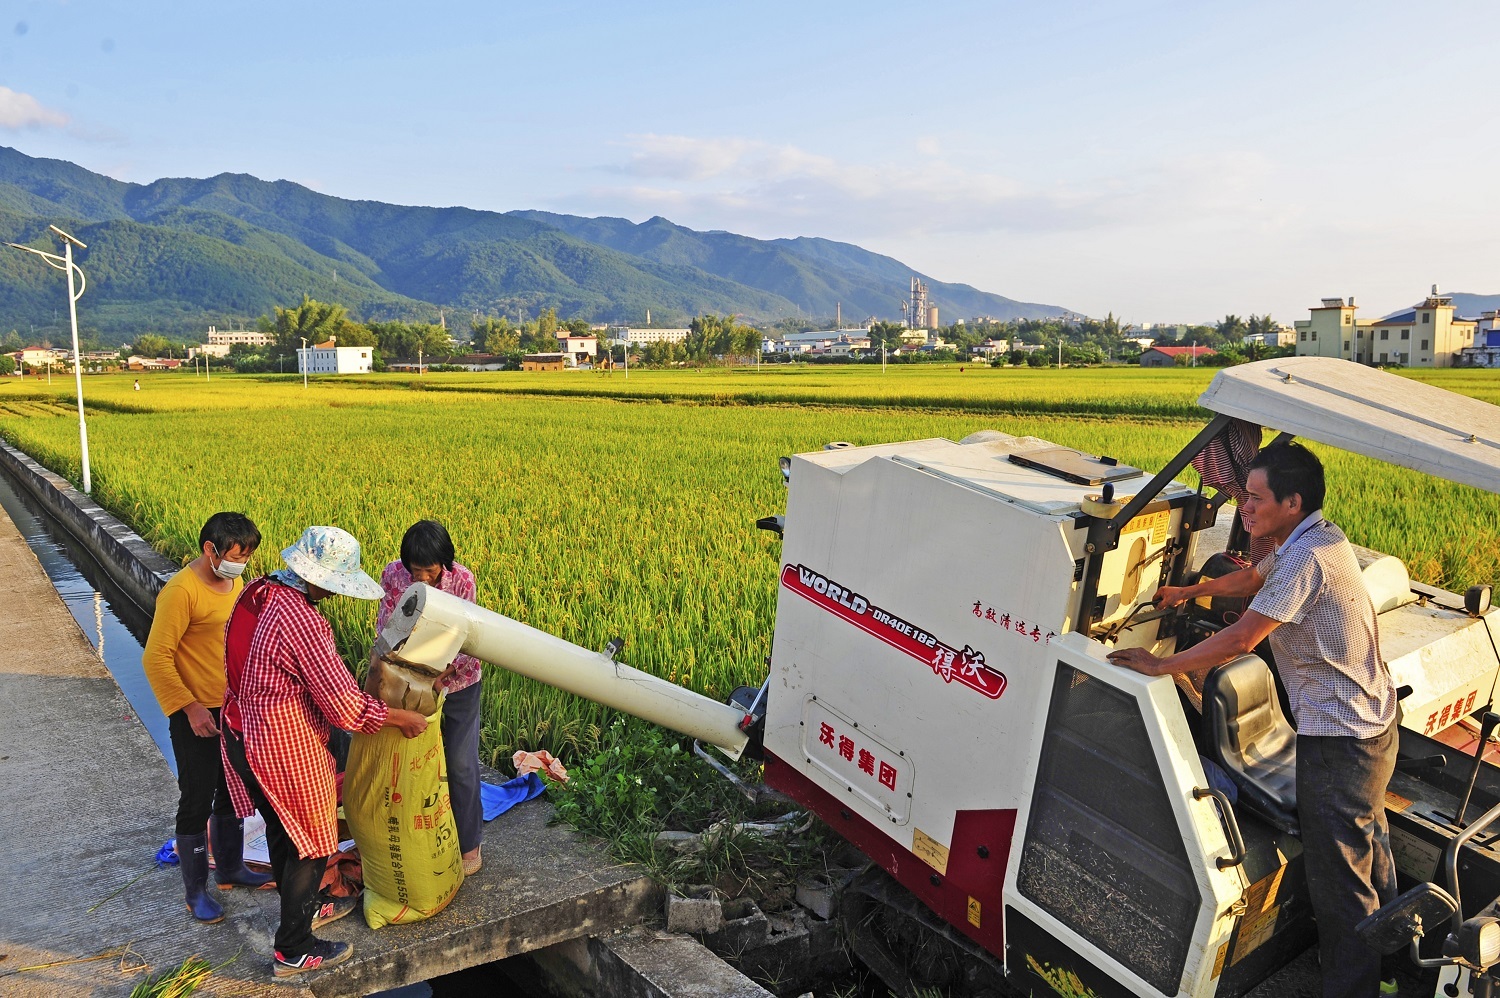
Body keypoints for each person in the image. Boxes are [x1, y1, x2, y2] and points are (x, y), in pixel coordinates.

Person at [1108, 442, 1397, 998]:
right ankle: (1390, 958)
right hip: (1372, 724)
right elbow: (1248, 581)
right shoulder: (1314, 536)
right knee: (1370, 841)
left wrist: (1160, 663)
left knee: (1340, 878)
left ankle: (1354, 987)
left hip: (1340, 741)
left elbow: (1242, 638)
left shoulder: (1307, 558)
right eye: (1243, 496)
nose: (1244, 507)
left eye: (1254, 497)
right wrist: (1189, 590)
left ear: (1292, 501)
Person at [220, 526, 428, 978]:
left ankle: (300, 914)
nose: (334, 594)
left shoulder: (257, 591)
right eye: (334, 584)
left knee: (283, 832)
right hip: (281, 745)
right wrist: (399, 718)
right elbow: (344, 705)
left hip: (239, 733)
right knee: (313, 843)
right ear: (315, 576)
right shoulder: (302, 620)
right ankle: (293, 949)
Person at [142, 512, 273, 924]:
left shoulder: (235, 584)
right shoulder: (182, 591)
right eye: (235, 556)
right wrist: (191, 707)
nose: (241, 564)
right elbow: (156, 657)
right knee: (196, 800)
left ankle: (232, 869)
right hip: (194, 712)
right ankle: (195, 892)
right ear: (209, 550)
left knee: (233, 791)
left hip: (232, 707)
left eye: (247, 557)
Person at [373, 520, 485, 876]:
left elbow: (467, 642)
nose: (421, 577)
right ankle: (416, 839)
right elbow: (387, 628)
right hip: (408, 681)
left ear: (444, 564)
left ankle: (470, 845)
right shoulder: (392, 575)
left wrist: (439, 678)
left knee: (461, 764)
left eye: (429, 569)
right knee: (410, 763)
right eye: (415, 569)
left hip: (459, 683)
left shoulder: (462, 580)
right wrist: (403, 675)